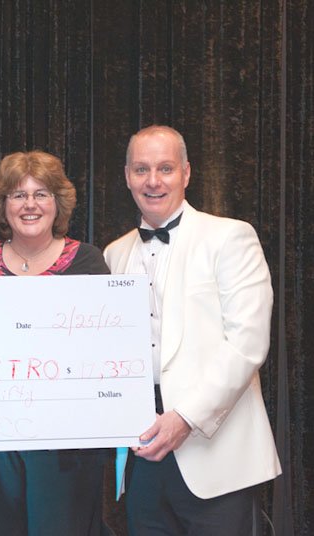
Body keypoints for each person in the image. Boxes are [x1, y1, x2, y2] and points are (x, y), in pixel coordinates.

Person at [104, 125, 282, 535]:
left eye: (165, 168)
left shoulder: (231, 237)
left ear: (186, 172)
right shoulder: (114, 253)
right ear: (127, 176)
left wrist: (185, 418)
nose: (153, 181)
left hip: (215, 453)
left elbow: (247, 344)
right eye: (141, 169)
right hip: (142, 454)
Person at [0, 150, 109, 536]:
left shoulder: (89, 264)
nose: (29, 205)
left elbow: (105, 354)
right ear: (2, 205)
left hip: (67, 452)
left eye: (41, 194)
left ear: (58, 202)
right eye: (17, 195)